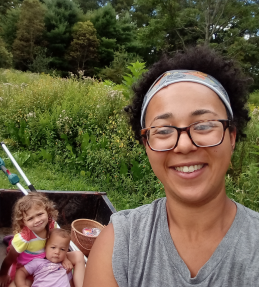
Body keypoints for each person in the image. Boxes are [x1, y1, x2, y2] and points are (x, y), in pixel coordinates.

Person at [83, 46, 259, 287]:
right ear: (146, 144)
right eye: (163, 130)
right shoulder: (118, 245)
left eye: (204, 125)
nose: (184, 145)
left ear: (231, 136)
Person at [0, 193, 85, 287]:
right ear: (23, 221)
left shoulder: (51, 225)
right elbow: (9, 259)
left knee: (78, 255)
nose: (37, 220)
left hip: (50, 256)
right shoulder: (23, 239)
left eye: (40, 214)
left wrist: (65, 258)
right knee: (15, 284)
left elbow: (60, 243)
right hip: (32, 265)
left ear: (47, 212)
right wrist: (3, 274)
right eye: (30, 218)